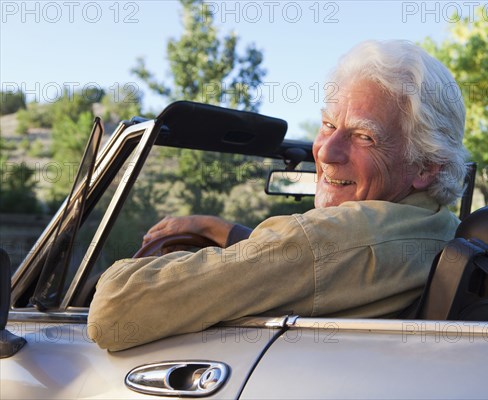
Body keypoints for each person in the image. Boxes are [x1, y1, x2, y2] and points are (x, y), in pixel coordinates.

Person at [88, 40, 468, 351]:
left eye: (364, 136)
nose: (326, 152)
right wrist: (220, 229)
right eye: (328, 125)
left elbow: (113, 309)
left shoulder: (329, 240)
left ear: (426, 166)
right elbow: (309, 265)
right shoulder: (445, 227)